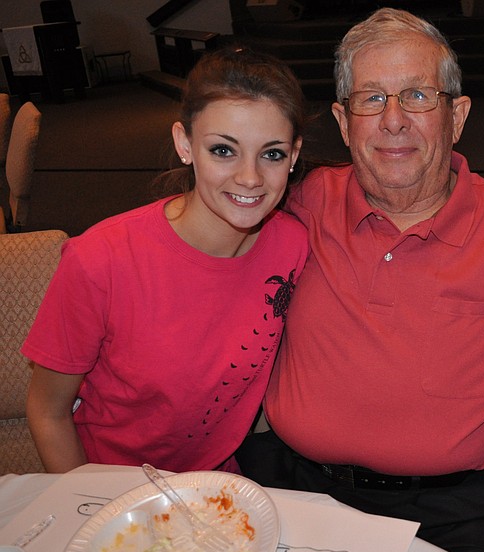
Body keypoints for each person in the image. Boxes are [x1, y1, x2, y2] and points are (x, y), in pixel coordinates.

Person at [234, 7, 484, 552]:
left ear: (457, 115)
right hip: (289, 491)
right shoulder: (301, 203)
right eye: (372, 98)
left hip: (450, 517)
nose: (394, 120)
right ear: (342, 120)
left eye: (417, 96)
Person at [22, 45, 309, 474]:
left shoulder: (293, 245)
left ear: (294, 156)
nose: (250, 177)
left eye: (272, 154)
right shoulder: (101, 259)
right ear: (184, 144)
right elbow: (47, 412)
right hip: (109, 488)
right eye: (223, 150)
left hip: (218, 486)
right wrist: (91, 511)